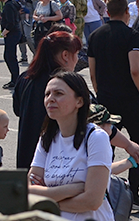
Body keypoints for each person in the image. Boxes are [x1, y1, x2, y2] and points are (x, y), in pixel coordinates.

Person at [87, 0, 139, 213]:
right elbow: (135, 68)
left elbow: (92, 73)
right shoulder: (132, 35)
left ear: (106, 11)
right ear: (126, 11)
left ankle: (105, 192)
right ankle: (133, 194)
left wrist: (99, 92)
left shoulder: (95, 35)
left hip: (106, 100)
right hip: (130, 99)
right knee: (138, 144)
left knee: (105, 148)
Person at [28, 71, 114, 221]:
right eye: (47, 94)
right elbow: (28, 192)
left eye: (58, 93)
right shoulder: (46, 138)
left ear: (79, 102)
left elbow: (92, 201)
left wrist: (48, 200)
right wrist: (75, 189)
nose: (50, 99)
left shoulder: (96, 137)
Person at [13, 30, 82, 169]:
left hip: (27, 153)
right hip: (56, 159)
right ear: (65, 55)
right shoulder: (65, 83)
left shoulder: (25, 78)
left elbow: (17, 110)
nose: (78, 59)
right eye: (77, 54)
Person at [0, 0, 23, 89]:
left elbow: (11, 21)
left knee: (10, 57)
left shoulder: (8, 5)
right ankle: (14, 78)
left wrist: (5, 31)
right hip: (14, 33)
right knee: (8, 56)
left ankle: (16, 80)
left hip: (12, 33)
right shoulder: (13, 3)